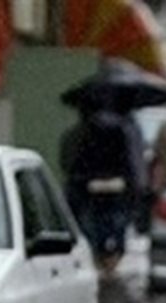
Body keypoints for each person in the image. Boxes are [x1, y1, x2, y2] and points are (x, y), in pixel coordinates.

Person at [60, 87, 147, 275]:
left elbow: (68, 163)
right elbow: (131, 162)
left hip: (87, 191)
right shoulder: (122, 130)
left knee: (91, 230)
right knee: (115, 229)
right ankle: (109, 266)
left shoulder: (76, 134)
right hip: (116, 191)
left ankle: (99, 265)